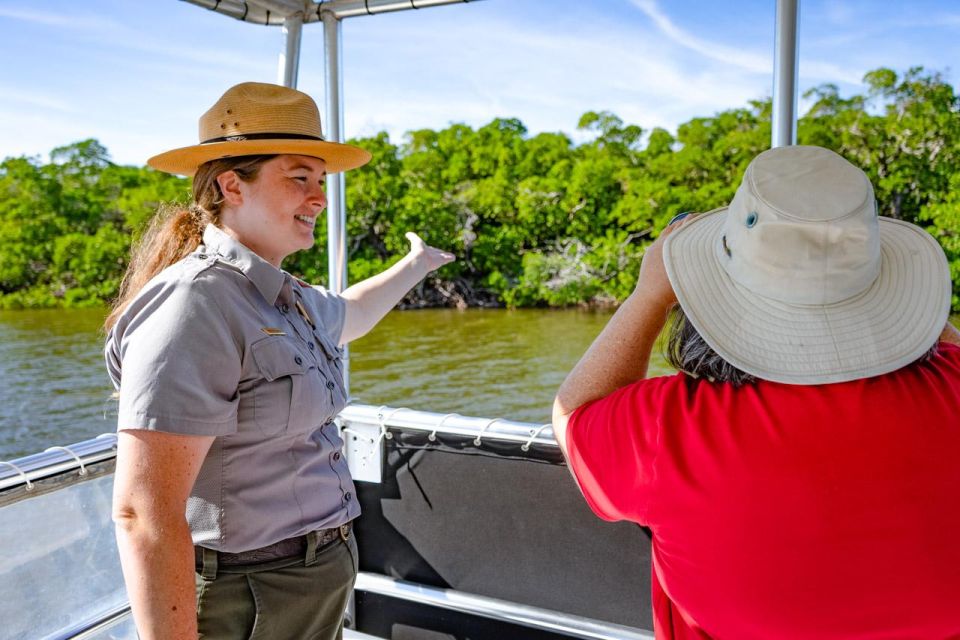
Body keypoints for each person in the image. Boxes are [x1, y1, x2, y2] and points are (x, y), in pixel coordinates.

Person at [552, 145, 960, 639]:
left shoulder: (668, 426)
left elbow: (574, 415)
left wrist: (651, 290)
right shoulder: (951, 387)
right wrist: (905, 314)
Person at [104, 82, 455, 640]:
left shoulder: (281, 294)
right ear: (230, 185)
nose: (319, 197)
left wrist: (415, 265)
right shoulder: (196, 303)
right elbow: (144, 513)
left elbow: (353, 313)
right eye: (299, 177)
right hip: (250, 597)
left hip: (307, 583)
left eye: (321, 181)